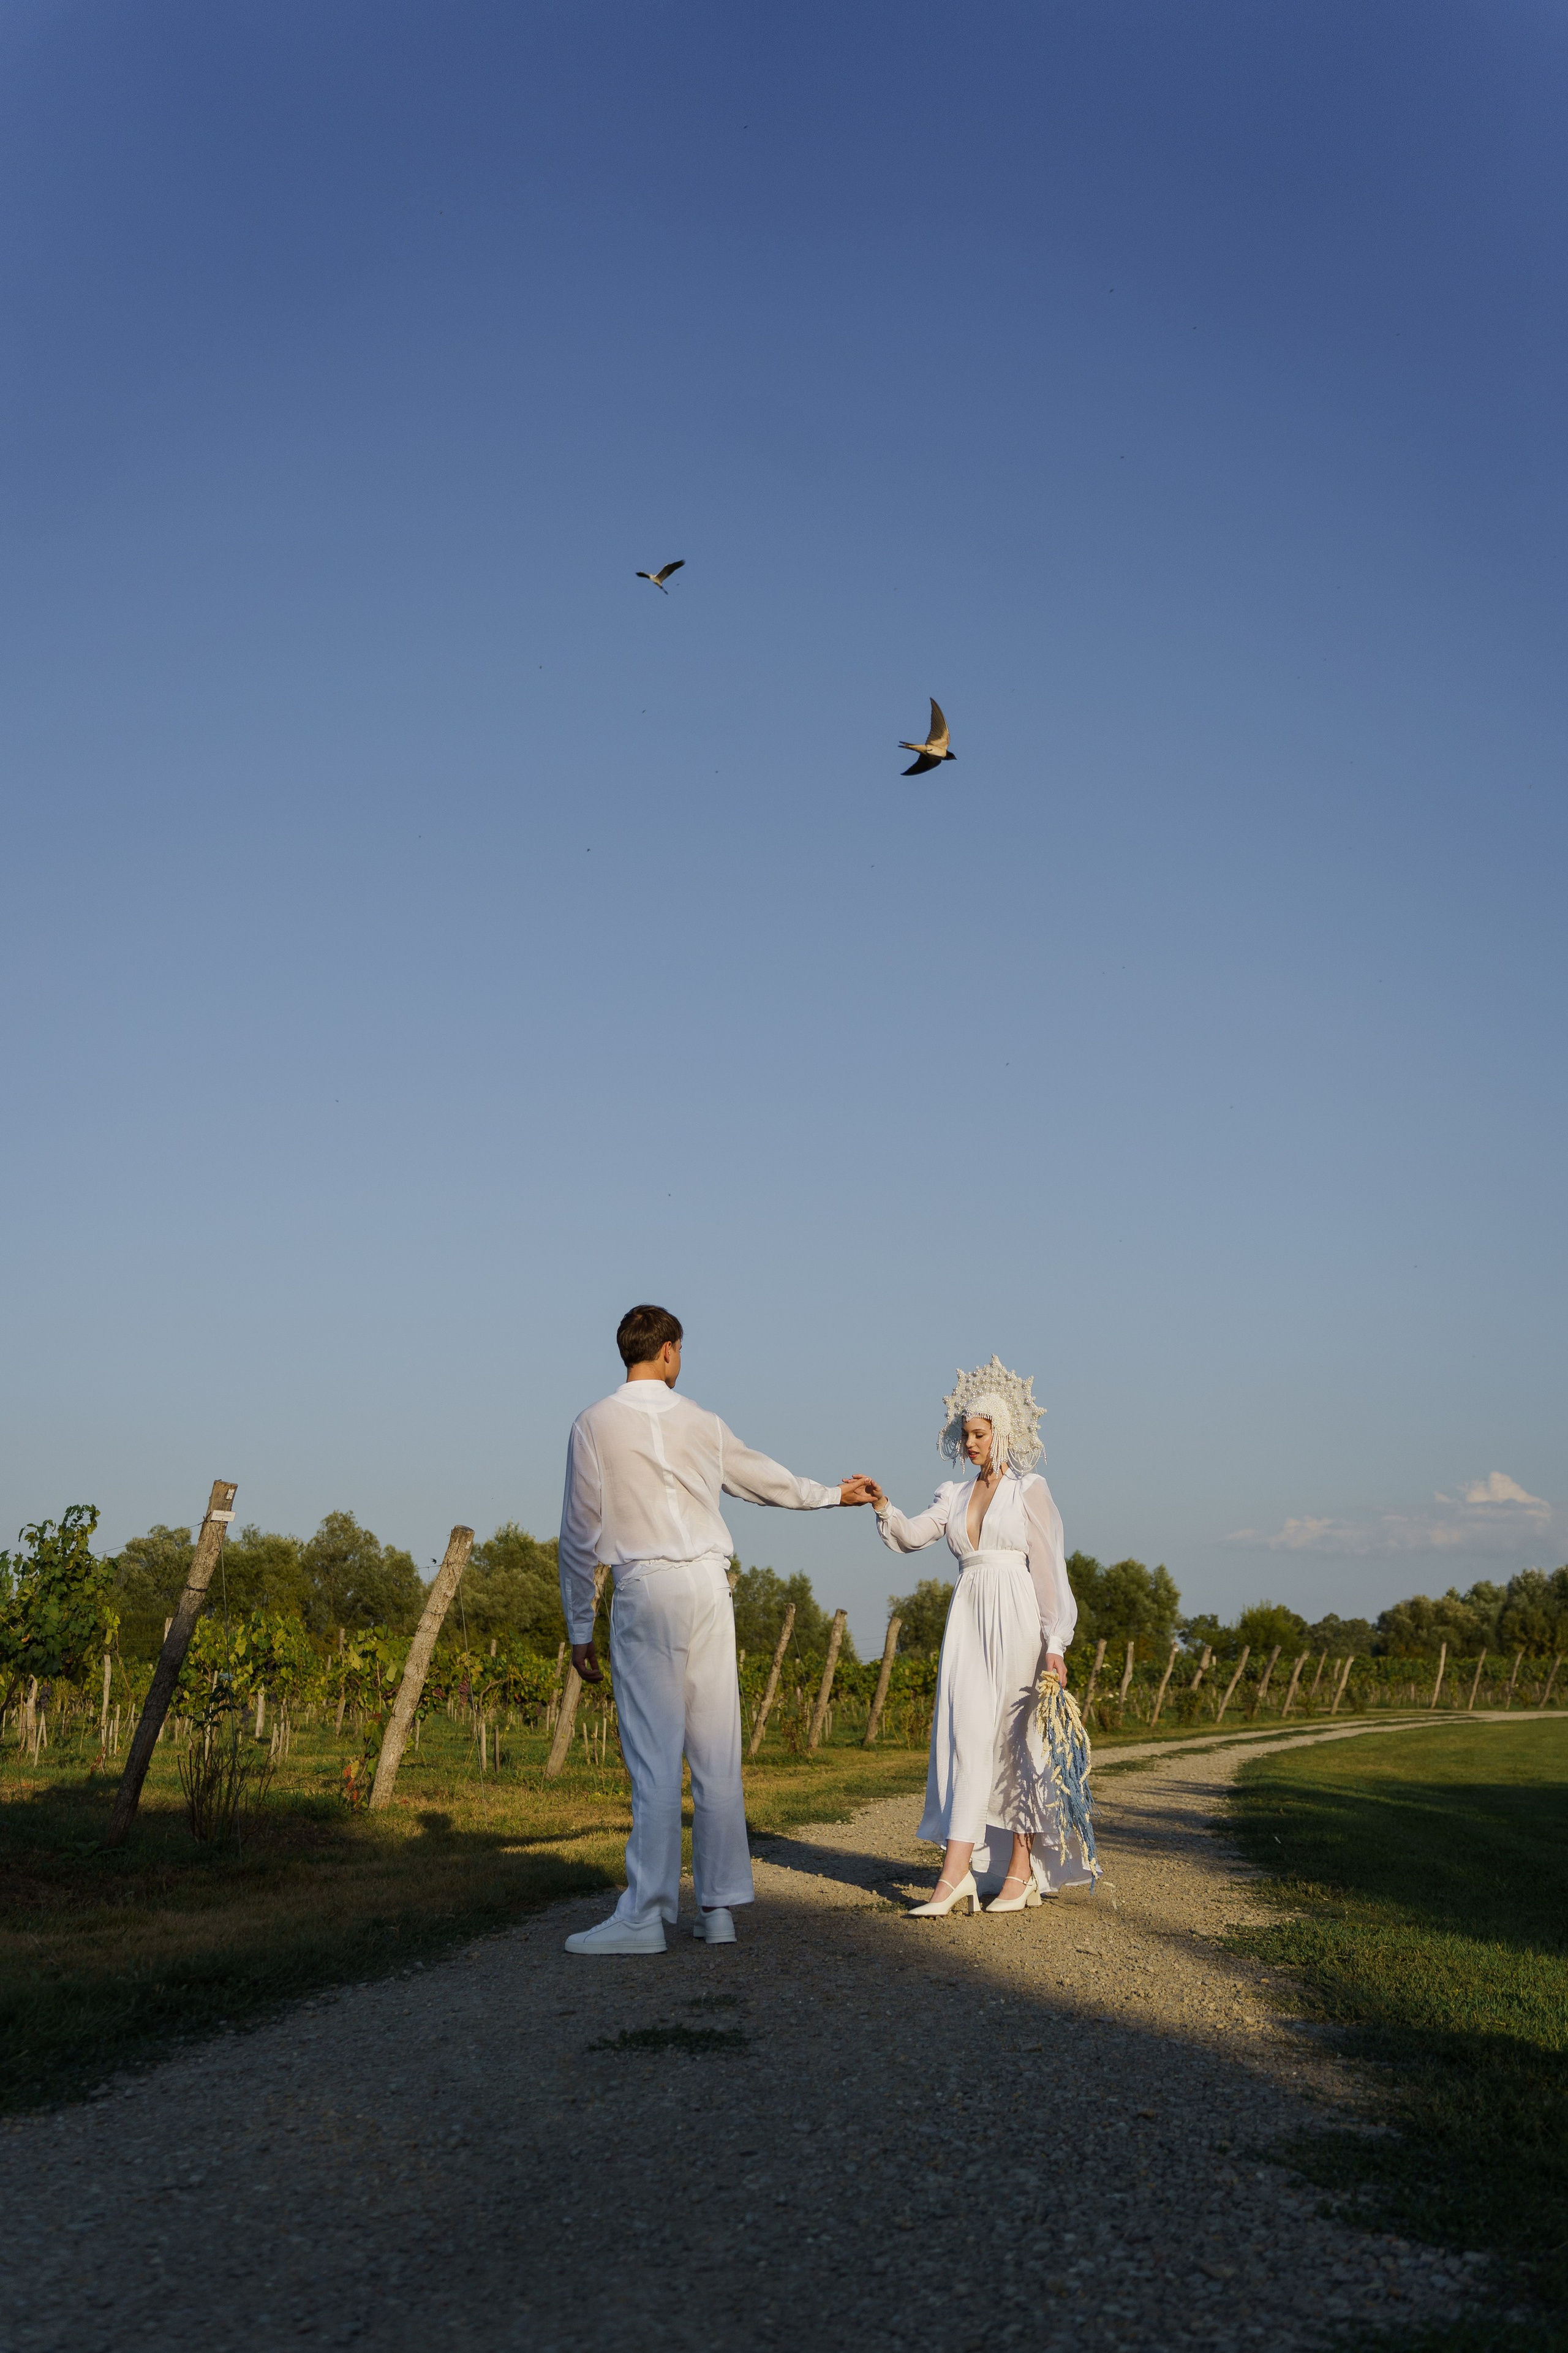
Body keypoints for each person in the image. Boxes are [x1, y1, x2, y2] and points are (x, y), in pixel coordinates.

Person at [558, 1304, 878, 1955]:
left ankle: (646, 1914)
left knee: (654, 1759)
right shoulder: (701, 1421)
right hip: (709, 1586)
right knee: (716, 1754)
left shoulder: (592, 1423)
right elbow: (763, 1480)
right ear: (669, 1350)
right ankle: (719, 1907)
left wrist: (579, 1623)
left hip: (646, 1589)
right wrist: (831, 1494)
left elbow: (578, 1534)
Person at [865, 1356, 1096, 1915]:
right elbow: (912, 1535)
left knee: (1019, 1743)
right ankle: (955, 1876)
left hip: (1018, 1616)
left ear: (1002, 1433)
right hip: (968, 1616)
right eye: (964, 1434)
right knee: (964, 1737)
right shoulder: (954, 1494)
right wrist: (881, 1504)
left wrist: (1055, 1646)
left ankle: (1021, 1870)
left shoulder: (1030, 1490)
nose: (968, 1442)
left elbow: (1050, 1574)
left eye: (978, 1434)